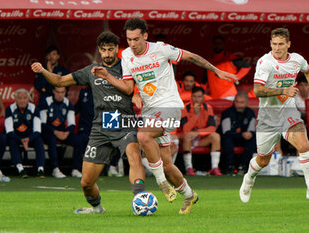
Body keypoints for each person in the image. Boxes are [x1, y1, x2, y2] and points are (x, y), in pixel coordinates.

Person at [91, 18, 237, 214]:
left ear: (145, 35)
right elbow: (128, 86)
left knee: (143, 136)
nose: (133, 44)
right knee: (168, 166)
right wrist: (109, 77)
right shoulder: (125, 55)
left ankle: (160, 183)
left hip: (170, 106)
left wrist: (216, 70)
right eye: (129, 39)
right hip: (151, 111)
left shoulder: (161, 49)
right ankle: (189, 195)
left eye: (136, 39)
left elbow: (191, 57)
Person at [31, 31, 146, 214]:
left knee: (134, 155)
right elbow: (60, 80)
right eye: (104, 50)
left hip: (124, 121)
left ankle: (141, 198)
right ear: (99, 51)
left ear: (117, 48)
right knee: (86, 182)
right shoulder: (91, 71)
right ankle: (97, 208)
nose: (108, 54)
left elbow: (143, 86)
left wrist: (138, 95)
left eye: (111, 49)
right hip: (100, 127)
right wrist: (44, 71)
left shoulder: (129, 67)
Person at [239, 28, 309, 202]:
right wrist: (284, 89)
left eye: (281, 44)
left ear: (288, 44)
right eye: (274, 44)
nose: (277, 48)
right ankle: (248, 178)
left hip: (288, 112)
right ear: (270, 44)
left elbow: (307, 69)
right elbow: (257, 91)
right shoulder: (265, 63)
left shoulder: (297, 60)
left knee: (304, 145)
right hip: (268, 117)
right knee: (263, 160)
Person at [39, 86, 83, 178]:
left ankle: (75, 169)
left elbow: (71, 123)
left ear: (65, 93)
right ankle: (55, 169)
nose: (60, 95)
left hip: (63, 133)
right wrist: (55, 132)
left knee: (78, 140)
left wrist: (67, 133)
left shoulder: (67, 102)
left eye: (62, 92)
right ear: (53, 92)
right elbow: (42, 123)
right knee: (52, 139)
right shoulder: (46, 102)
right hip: (48, 132)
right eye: (58, 92)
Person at [180, 86, 221, 176]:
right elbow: (185, 129)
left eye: (199, 97)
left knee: (215, 136)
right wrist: (196, 114)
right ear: (191, 97)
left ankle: (215, 167)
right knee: (187, 135)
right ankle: (189, 168)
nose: (197, 99)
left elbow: (212, 128)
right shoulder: (184, 108)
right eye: (194, 96)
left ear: (203, 98)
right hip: (188, 139)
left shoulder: (208, 107)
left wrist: (198, 132)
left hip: (201, 138)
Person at [5, 89, 46, 178]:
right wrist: (21, 140)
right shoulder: (9, 109)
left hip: (31, 137)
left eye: (24, 98)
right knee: (11, 141)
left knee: (39, 140)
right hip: (16, 137)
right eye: (19, 98)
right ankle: (20, 169)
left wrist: (28, 139)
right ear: (15, 99)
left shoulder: (34, 109)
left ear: (28, 99)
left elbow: (37, 130)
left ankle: (40, 169)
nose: (22, 100)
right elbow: (9, 131)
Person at [203, 35, 251, 100]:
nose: (218, 45)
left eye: (220, 43)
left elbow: (247, 66)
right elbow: (205, 78)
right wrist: (202, 90)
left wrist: (236, 78)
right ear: (213, 44)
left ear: (223, 45)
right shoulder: (209, 59)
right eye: (216, 43)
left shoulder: (230, 58)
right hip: (214, 96)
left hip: (229, 95)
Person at [219, 92, 256, 175]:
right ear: (234, 102)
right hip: (230, 137)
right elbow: (226, 132)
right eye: (237, 102)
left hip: (243, 138)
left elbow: (252, 130)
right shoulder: (227, 113)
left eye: (242, 102)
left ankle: (243, 167)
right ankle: (230, 166)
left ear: (246, 103)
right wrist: (242, 134)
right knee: (227, 140)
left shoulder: (250, 112)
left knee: (253, 139)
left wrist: (250, 134)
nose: (239, 104)